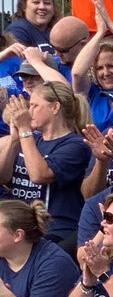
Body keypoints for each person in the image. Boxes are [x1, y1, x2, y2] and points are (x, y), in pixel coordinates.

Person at [0, 82, 91, 248]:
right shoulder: (30, 139)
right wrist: (14, 140)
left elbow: (38, 175)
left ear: (55, 107)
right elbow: (2, 178)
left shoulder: (76, 145)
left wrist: (25, 131)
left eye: (34, 106)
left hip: (54, 232)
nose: (29, 112)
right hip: (19, 229)